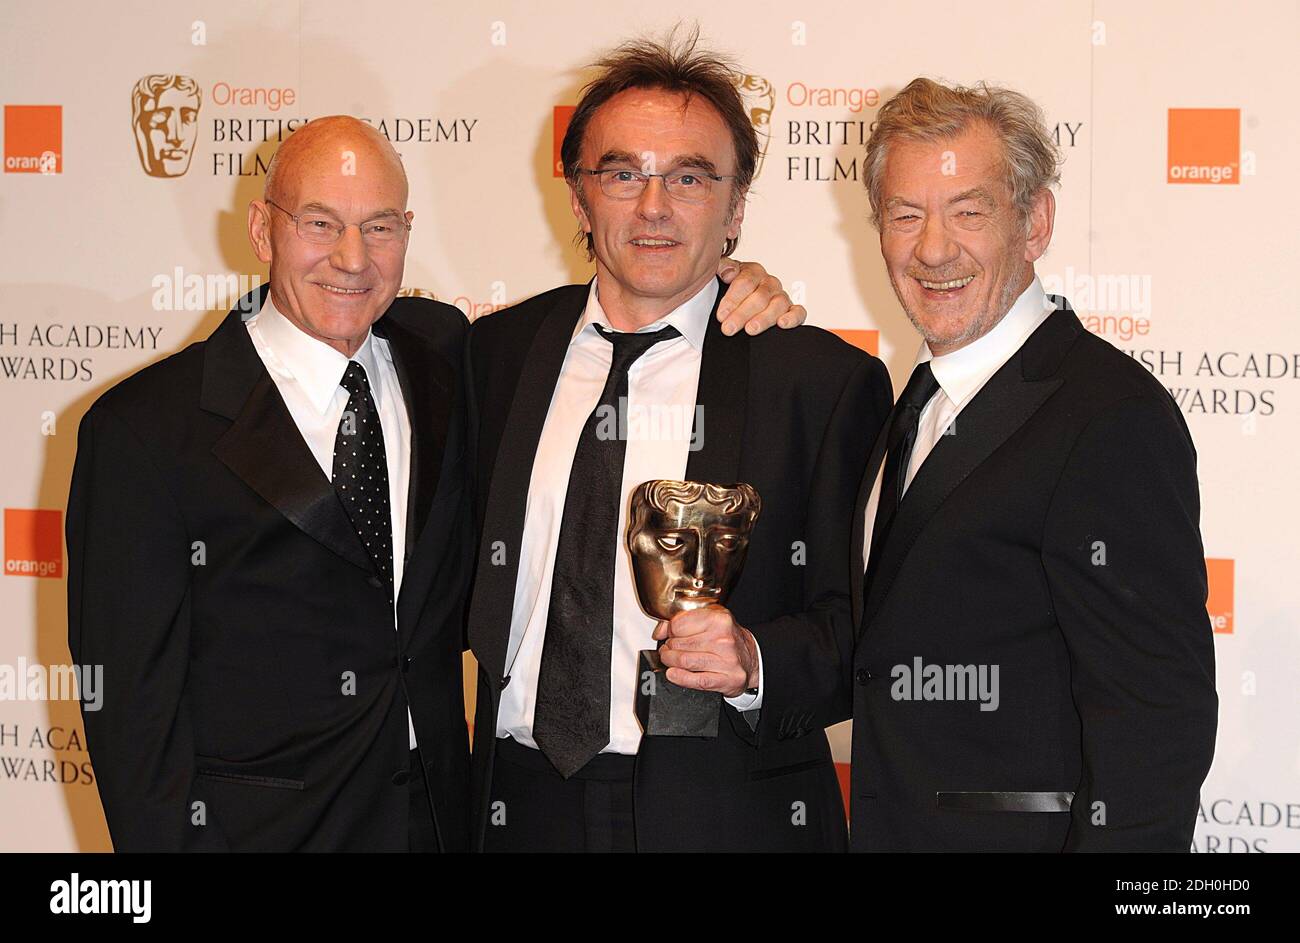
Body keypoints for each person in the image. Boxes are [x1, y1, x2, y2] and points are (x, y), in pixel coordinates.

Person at [67, 114, 795, 852]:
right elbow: (133, 720)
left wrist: (731, 279)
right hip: (261, 831)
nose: (352, 259)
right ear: (264, 230)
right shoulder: (145, 430)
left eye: (380, 227)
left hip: (445, 820)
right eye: (321, 223)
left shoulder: (448, 356)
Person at [465, 34, 892, 852]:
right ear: (580, 199)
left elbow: (870, 631)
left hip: (725, 815)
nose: (654, 206)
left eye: (690, 177)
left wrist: (756, 658)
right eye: (623, 174)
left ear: (735, 208)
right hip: (517, 805)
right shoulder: (496, 356)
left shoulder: (817, 382)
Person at [847, 79, 1217, 852]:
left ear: (1035, 221)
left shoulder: (1110, 415)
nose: (934, 248)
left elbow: (1156, 722)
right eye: (905, 214)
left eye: (968, 211)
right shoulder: (913, 402)